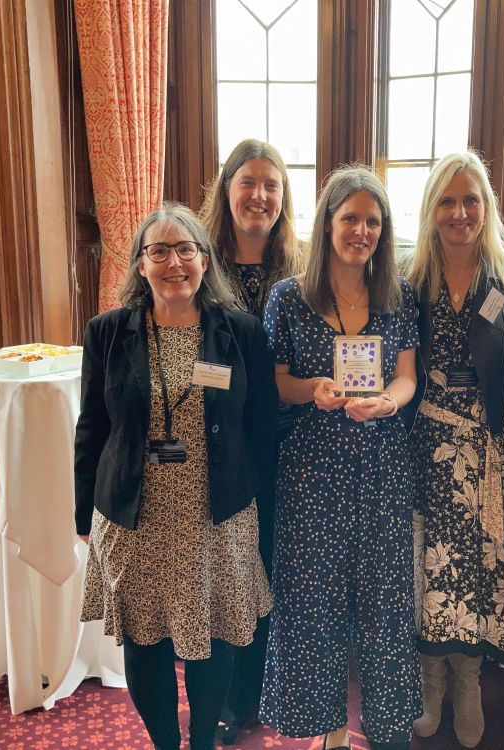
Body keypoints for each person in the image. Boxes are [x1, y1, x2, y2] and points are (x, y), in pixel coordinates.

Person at [74, 203, 276, 750]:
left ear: (205, 261)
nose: (174, 263)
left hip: (217, 515)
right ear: (141, 265)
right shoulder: (108, 333)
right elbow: (91, 426)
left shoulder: (240, 333)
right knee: (145, 641)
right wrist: (82, 514)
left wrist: (262, 508)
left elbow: (261, 427)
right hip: (138, 518)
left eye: (185, 249)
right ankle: (165, 742)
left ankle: (204, 740)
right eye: (158, 251)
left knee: (214, 637)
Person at [259, 166, 422, 750]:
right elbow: (275, 380)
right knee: (312, 603)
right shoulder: (288, 297)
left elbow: (406, 377)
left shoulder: (396, 293)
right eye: (350, 218)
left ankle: (387, 729)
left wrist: (387, 402)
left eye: (373, 221)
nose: (362, 231)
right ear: (327, 221)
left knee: (384, 602)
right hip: (312, 469)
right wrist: (313, 389)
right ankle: (326, 729)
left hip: (380, 464)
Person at [402, 151, 504, 748]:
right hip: (426, 444)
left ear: (487, 207)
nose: (460, 213)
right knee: (427, 565)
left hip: (488, 453)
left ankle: (470, 676)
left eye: (471, 200)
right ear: (432, 210)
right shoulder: (409, 279)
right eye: (448, 201)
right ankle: (430, 679)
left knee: (480, 567)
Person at [199, 138, 302, 744]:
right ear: (227, 189)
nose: (259, 195)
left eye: (271, 185)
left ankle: (255, 695)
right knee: (224, 570)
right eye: (248, 182)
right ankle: (224, 694)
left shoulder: (302, 270)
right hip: (219, 445)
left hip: (288, 446)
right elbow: (187, 356)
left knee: (265, 567)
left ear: (283, 198)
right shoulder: (198, 261)